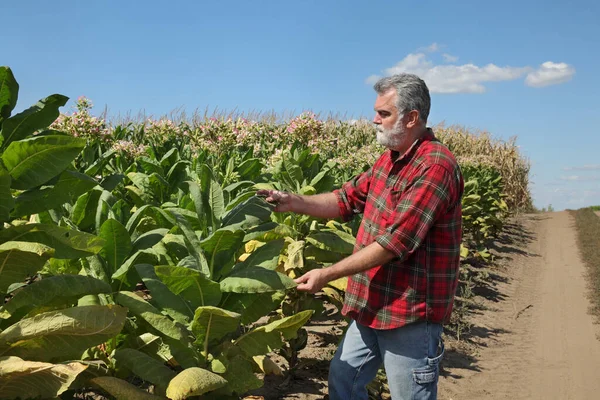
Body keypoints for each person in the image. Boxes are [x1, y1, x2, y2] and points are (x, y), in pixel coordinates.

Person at [257, 73, 464, 400]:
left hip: (408, 312)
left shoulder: (434, 166)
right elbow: (345, 199)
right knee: (344, 380)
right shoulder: (391, 158)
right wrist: (293, 201)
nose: (374, 120)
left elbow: (395, 243)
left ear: (411, 118)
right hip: (373, 304)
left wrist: (327, 274)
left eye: (384, 114)